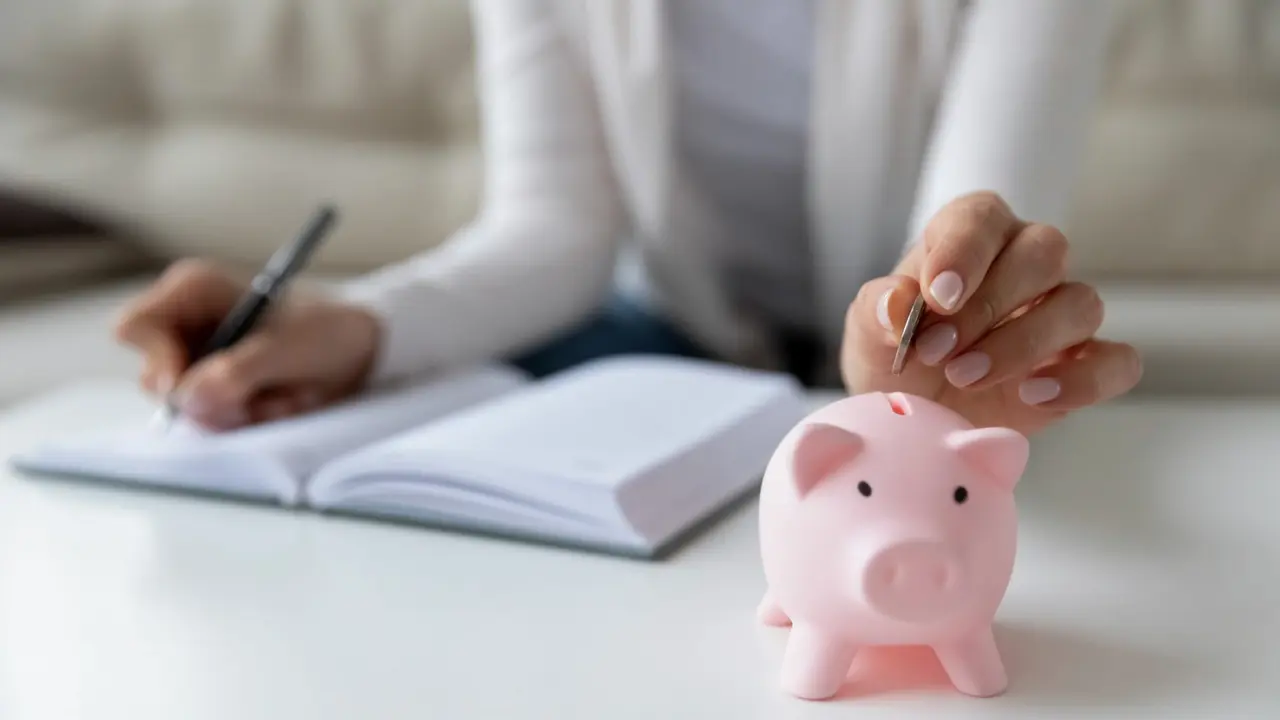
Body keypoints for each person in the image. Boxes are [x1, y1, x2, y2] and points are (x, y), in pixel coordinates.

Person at [113, 0, 1142, 438]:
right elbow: (553, 231)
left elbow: (973, 222)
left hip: (890, 357)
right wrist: (356, 325)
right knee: (418, 423)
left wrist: (936, 336)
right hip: (668, 327)